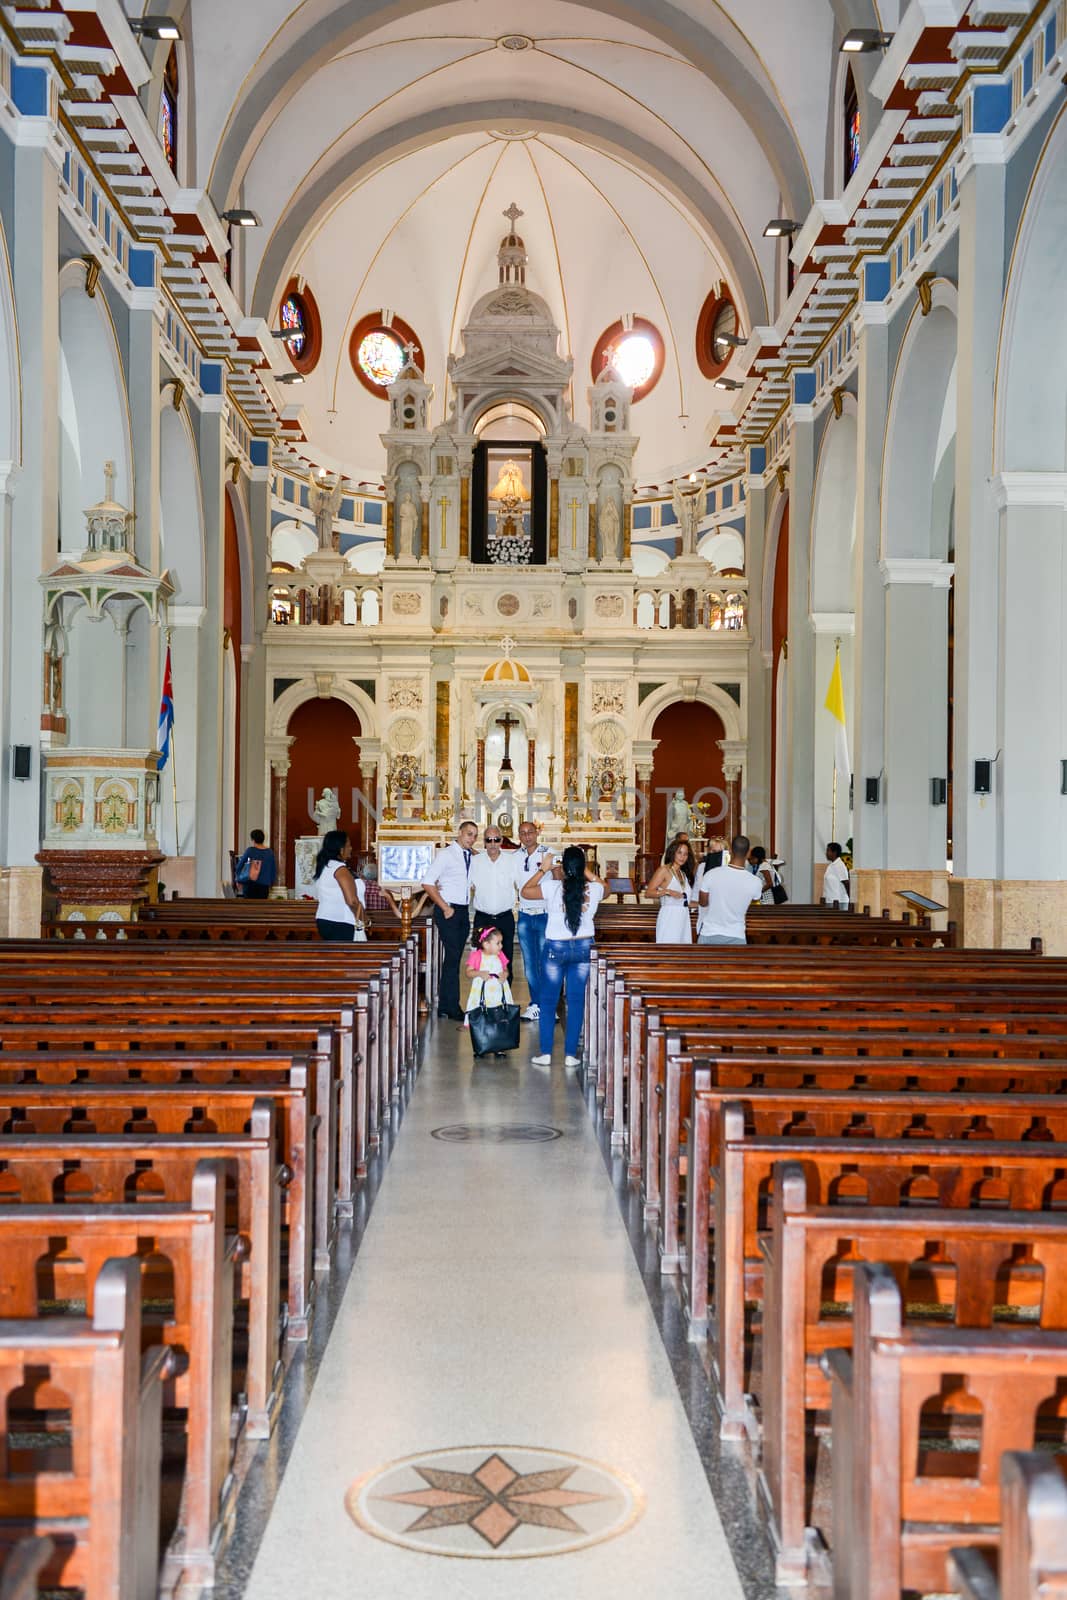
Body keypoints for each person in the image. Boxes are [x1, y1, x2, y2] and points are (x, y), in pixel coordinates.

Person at [522, 846, 604, 1068]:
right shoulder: (594, 889)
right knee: (576, 1001)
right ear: (583, 865)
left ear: (564, 866)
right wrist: (585, 870)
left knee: (548, 1001)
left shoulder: (552, 887)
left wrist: (544, 869)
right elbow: (606, 887)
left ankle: (546, 1053)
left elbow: (525, 891)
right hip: (584, 947)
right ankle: (570, 1055)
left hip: (556, 948)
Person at [422, 820, 479, 1021]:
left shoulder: (471, 856)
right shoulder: (446, 855)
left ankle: (446, 1005)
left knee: (453, 959)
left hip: (462, 910)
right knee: (453, 958)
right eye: (468, 834)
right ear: (459, 833)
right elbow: (428, 882)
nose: (471, 838)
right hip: (449, 909)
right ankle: (451, 1006)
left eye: (474, 835)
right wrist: (445, 907)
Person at [696, 833, 762, 946]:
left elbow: (703, 903)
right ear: (748, 853)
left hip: (709, 933)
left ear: (730, 851)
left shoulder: (711, 874)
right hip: (736, 934)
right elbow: (754, 900)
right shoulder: (755, 881)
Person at [512, 819, 548, 1021]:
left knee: (545, 962)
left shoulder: (548, 852)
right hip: (525, 914)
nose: (527, 836)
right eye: (523, 833)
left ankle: (546, 1003)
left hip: (544, 913)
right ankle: (536, 1003)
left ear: (536, 833)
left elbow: (560, 878)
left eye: (530, 832)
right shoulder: (515, 857)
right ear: (519, 836)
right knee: (529, 964)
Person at [469, 825, 517, 968]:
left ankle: (505, 990)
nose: (493, 843)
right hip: (482, 919)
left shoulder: (511, 861)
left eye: (496, 839)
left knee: (505, 962)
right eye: (489, 840)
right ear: (484, 842)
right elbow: (465, 883)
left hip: (505, 919)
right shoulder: (475, 861)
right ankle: (482, 990)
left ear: (501, 840)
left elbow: (522, 884)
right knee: (480, 962)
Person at [464, 926, 515, 1059]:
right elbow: (468, 972)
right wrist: (479, 973)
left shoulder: (500, 955)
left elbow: (506, 969)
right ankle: (481, 1045)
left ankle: (499, 1046)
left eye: (501, 942)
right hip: (482, 993)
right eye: (498, 943)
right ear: (486, 944)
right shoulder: (477, 956)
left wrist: (505, 975)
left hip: (498, 992)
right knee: (482, 1019)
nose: (501, 946)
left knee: (498, 1018)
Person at [311, 829, 366, 941]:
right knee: (348, 957)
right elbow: (352, 901)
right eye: (348, 846)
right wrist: (364, 919)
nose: (350, 849)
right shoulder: (340, 870)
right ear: (341, 850)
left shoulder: (326, 867)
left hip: (325, 919)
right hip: (342, 921)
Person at [647, 837, 695, 943]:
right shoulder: (664, 870)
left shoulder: (683, 874)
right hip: (669, 916)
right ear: (673, 853)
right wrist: (667, 892)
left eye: (685, 854)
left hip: (683, 917)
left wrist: (703, 904)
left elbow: (685, 901)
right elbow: (649, 892)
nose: (682, 857)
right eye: (679, 853)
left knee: (682, 952)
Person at [234, 829, 276, 899]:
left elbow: (239, 866)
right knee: (261, 907)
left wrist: (238, 880)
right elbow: (273, 870)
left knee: (249, 907)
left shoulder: (250, 850)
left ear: (253, 839)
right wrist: (271, 883)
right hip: (264, 886)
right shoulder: (270, 852)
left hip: (250, 884)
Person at [823, 841, 850, 908]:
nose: (826, 853)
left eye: (828, 851)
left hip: (839, 903)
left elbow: (846, 883)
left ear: (834, 852)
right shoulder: (831, 865)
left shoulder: (840, 865)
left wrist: (851, 900)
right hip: (830, 901)